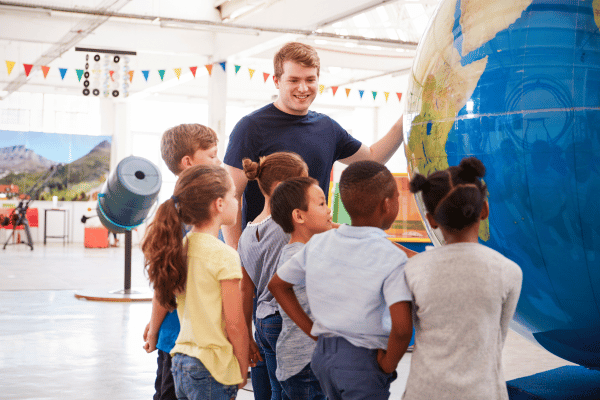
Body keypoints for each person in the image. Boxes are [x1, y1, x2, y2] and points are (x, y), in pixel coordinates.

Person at [222, 41, 405, 249]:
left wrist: (402, 123)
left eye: (310, 79)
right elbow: (231, 195)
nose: (303, 88)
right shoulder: (251, 127)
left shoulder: (327, 128)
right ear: (276, 81)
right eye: (294, 80)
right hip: (265, 253)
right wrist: (238, 259)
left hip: (315, 251)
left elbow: (372, 158)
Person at [269, 161, 413, 400]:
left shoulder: (318, 244)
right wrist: (388, 364)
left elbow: (277, 285)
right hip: (364, 361)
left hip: (323, 357)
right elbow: (402, 328)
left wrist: (313, 331)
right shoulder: (391, 257)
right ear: (387, 204)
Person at [402, 157, 522, 400]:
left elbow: (406, 328)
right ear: (484, 211)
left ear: (431, 219)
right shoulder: (509, 271)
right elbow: (497, 335)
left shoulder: (413, 270)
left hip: (424, 391)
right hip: (483, 392)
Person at [142, 164, 249, 399]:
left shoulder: (180, 247)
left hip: (180, 360)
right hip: (213, 366)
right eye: (233, 196)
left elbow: (164, 295)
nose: (236, 201)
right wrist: (242, 366)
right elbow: (234, 322)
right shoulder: (224, 255)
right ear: (219, 204)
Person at [143, 123, 220, 400]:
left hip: (193, 340)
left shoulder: (187, 213)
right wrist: (154, 328)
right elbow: (165, 287)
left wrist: (154, 326)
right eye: (212, 155)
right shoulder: (190, 218)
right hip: (180, 340)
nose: (218, 161)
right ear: (188, 162)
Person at [237, 152, 309, 400]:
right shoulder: (289, 225)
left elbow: (246, 290)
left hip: (263, 323)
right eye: (303, 183)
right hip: (287, 322)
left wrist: (247, 335)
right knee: (285, 392)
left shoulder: (246, 233)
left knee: (267, 390)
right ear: (281, 188)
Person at [268, 176, 332, 400]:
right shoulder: (300, 256)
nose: (329, 210)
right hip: (306, 364)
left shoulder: (306, 252)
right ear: (298, 216)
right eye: (322, 203)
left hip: (301, 363)